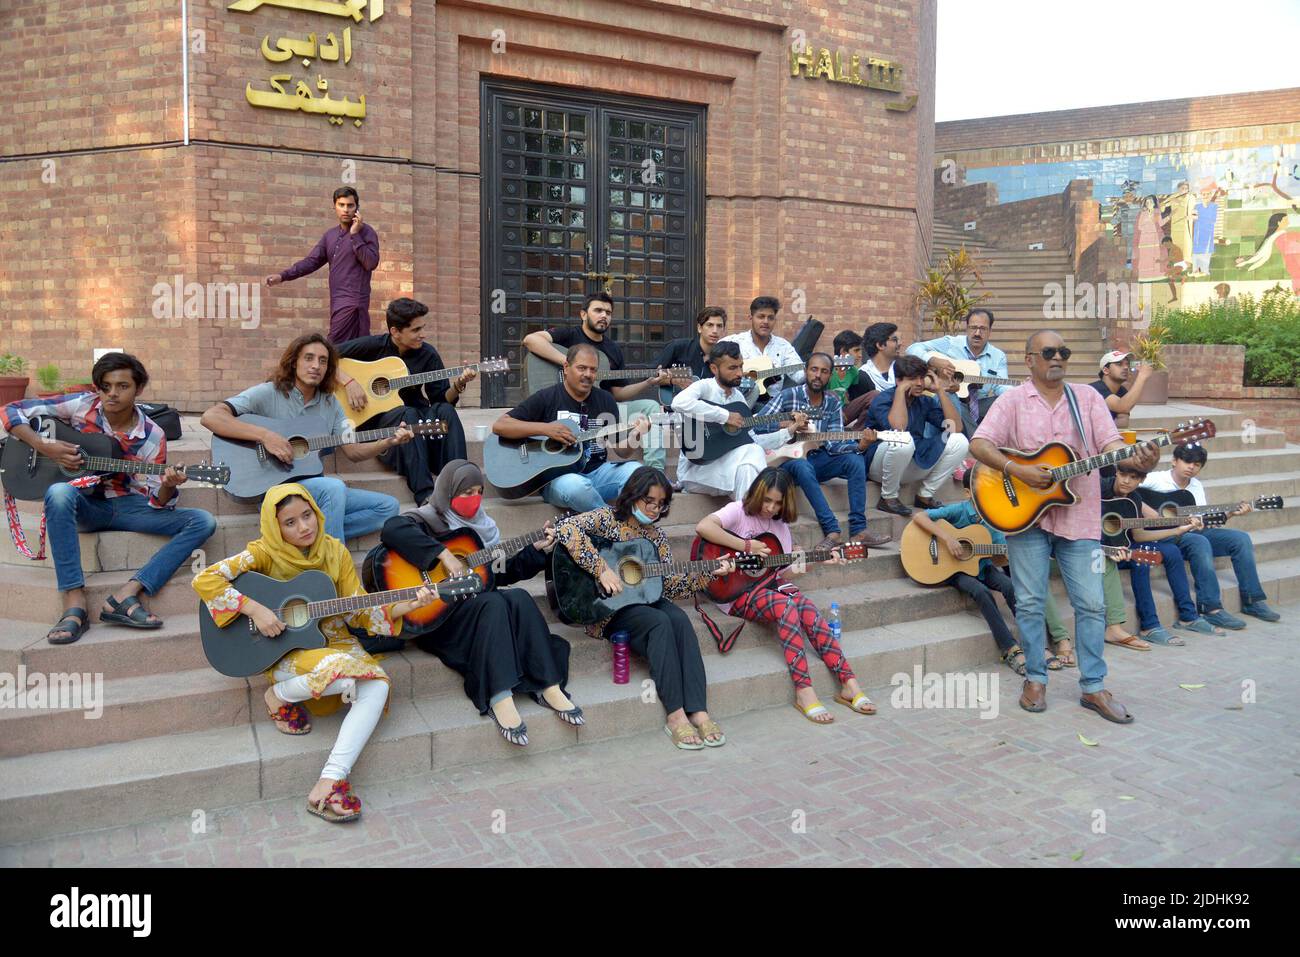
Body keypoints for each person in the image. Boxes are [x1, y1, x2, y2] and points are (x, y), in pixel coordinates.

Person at [192, 484, 435, 822]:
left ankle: (329, 781)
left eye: (307, 516)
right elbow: (206, 578)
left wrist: (407, 604)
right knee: (345, 671)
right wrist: (255, 610)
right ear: (275, 527)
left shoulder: (335, 551)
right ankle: (278, 693)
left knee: (377, 684)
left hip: (333, 641)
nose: (304, 527)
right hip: (280, 649)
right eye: (290, 523)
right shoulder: (261, 553)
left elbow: (359, 612)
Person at [969, 329, 1161, 723]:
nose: (1058, 357)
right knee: (1031, 601)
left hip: (1080, 517)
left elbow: (1109, 443)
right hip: (1025, 518)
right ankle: (1036, 679)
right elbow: (980, 443)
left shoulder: (1087, 398)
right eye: (1049, 352)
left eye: (1064, 352)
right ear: (1030, 359)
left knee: (1092, 604)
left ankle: (1093, 687)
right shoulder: (1012, 400)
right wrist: (1018, 469)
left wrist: (1133, 455)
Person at [2, 353, 217, 645]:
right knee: (59, 492)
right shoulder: (81, 406)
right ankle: (74, 602)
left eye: (122, 386)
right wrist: (44, 446)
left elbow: (158, 502)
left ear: (139, 389)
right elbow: (11, 409)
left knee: (202, 520)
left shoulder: (152, 435)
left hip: (126, 504)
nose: (112, 394)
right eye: (105, 387)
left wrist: (168, 485)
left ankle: (126, 595)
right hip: (84, 505)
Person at [379, 461, 578, 746]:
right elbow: (392, 528)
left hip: (476, 611)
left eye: (478, 491)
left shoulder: (484, 529)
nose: (473, 498)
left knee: (519, 598)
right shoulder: (426, 518)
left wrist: (533, 552)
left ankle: (547, 682)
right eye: (465, 491)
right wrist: (442, 555)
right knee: (493, 604)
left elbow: (499, 574)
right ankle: (498, 693)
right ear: (447, 491)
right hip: (440, 617)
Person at [553, 467, 735, 750]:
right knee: (658, 623)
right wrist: (602, 570)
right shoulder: (607, 519)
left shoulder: (657, 537)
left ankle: (699, 711)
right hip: (608, 607)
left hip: (646, 600)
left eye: (661, 504)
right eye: (648, 501)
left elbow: (669, 586)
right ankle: (675, 716)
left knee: (679, 619)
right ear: (633, 496)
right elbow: (566, 528)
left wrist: (710, 573)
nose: (654, 509)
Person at [695, 468, 877, 723]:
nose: (770, 507)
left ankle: (849, 685)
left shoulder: (780, 527)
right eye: (767, 500)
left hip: (769, 586)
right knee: (785, 606)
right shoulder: (738, 511)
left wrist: (817, 562)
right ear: (757, 493)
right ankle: (804, 691)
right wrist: (746, 546)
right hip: (734, 591)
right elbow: (704, 526)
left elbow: (784, 572)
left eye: (777, 503)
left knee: (808, 609)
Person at [202, 333, 406, 541]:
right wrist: (265, 435)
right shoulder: (269, 393)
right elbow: (211, 417)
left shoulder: (331, 404)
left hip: (314, 490)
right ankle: (331, 562)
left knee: (387, 507)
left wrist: (386, 442)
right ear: (293, 362)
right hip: (273, 486)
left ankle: (309, 540)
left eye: (323, 361)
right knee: (334, 487)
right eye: (308, 358)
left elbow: (353, 451)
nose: (316, 365)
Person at [336, 297, 471, 504]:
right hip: (380, 423)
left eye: (422, 328)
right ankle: (425, 495)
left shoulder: (428, 353)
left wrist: (459, 384)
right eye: (415, 330)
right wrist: (349, 382)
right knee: (407, 414)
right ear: (395, 332)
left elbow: (441, 398)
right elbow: (327, 356)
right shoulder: (373, 346)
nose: (422, 335)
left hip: (417, 422)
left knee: (445, 411)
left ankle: (460, 485)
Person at [753, 353, 891, 550]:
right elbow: (757, 424)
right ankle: (832, 531)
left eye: (824, 371)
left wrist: (859, 447)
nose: (818, 375)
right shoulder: (789, 395)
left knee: (855, 460)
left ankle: (859, 529)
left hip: (818, 458)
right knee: (802, 466)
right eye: (814, 370)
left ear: (830, 375)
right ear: (806, 371)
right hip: (788, 461)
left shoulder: (832, 402)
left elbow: (835, 442)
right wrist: (786, 424)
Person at [493, 342, 647, 512]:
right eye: (582, 368)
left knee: (639, 474)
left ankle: (614, 519)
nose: (588, 374)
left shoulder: (606, 400)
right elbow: (501, 425)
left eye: (593, 370)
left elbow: (621, 451)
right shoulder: (547, 397)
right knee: (577, 487)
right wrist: (545, 429)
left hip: (598, 474)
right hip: (560, 479)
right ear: (566, 367)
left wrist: (636, 435)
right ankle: (613, 523)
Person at [522, 291, 667, 470]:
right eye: (598, 310)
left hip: (602, 411)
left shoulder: (613, 349)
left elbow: (618, 394)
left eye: (608, 312)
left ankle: (656, 472)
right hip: (569, 409)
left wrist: (649, 383)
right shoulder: (569, 335)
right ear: (583, 314)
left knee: (651, 407)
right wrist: (569, 363)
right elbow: (531, 340)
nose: (604, 316)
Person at [1142, 443, 1280, 624]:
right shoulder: (1154, 479)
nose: (1191, 467)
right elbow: (1128, 493)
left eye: (1197, 464)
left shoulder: (1196, 486)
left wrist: (1230, 513)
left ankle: (1252, 600)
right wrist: (1153, 514)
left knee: (1240, 539)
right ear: (1174, 461)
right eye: (1187, 461)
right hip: (1162, 535)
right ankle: (1211, 608)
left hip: (1189, 532)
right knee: (1199, 542)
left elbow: (1202, 521)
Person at [907, 470, 1025, 675]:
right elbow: (919, 516)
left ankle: (1031, 639)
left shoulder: (994, 518)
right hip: (955, 570)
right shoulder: (959, 510)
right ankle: (1010, 648)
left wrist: (1006, 554)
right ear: (968, 493)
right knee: (981, 592)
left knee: (1009, 585)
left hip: (982, 566)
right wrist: (947, 539)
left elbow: (998, 558)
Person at [671, 341, 808, 500]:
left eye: (740, 366)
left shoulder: (738, 398)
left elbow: (752, 441)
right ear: (714, 369)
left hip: (729, 469)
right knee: (750, 459)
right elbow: (678, 402)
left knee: (748, 463)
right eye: (732, 368)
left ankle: (747, 517)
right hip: (695, 471)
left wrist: (789, 431)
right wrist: (724, 416)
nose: (740, 373)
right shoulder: (704, 387)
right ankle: (759, 511)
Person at [265, 186, 379, 343]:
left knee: (334, 348)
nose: (346, 210)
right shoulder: (330, 236)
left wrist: (355, 234)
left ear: (357, 208)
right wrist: (282, 276)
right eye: (341, 205)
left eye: (350, 205)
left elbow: (370, 263)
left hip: (354, 303)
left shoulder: (366, 232)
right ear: (334, 207)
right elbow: (311, 261)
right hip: (337, 303)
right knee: (352, 352)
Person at [865, 354, 969, 516]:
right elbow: (898, 428)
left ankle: (924, 495)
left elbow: (955, 427)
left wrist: (940, 391)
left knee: (959, 441)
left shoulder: (924, 401)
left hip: (911, 461)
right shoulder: (883, 399)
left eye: (922, 377)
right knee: (903, 439)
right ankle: (888, 498)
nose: (920, 383)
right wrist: (900, 391)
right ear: (899, 380)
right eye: (913, 378)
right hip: (881, 467)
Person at [907, 308, 1011, 436]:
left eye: (983, 329)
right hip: (955, 400)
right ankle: (976, 443)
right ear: (967, 328)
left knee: (1009, 400)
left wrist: (1018, 393)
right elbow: (912, 349)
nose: (977, 333)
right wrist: (933, 360)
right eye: (973, 327)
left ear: (990, 331)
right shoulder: (951, 343)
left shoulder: (998, 356)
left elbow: (1002, 385)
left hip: (979, 403)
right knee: (953, 399)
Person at [721, 295, 805, 397]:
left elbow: (800, 376)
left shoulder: (783, 346)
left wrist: (810, 369)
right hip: (737, 399)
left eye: (770, 318)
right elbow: (714, 361)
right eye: (761, 317)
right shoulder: (734, 342)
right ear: (751, 318)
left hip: (772, 404)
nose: (766, 322)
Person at [655, 305, 728, 399]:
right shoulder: (678, 347)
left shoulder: (724, 357)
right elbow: (651, 377)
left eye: (719, 326)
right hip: (675, 405)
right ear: (699, 328)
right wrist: (672, 380)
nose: (715, 331)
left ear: (724, 330)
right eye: (710, 325)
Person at [1235, 211, 1300, 293]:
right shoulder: (1281, 237)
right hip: (1295, 267)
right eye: (1286, 220)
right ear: (1279, 223)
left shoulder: (1277, 237)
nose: (1288, 222)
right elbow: (1293, 247)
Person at [1132, 194, 1168, 283]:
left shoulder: (1157, 212)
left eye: (1151, 202)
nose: (1149, 203)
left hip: (1155, 236)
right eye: (1147, 202)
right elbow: (1140, 226)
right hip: (1144, 237)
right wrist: (1147, 225)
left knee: (1155, 254)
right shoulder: (1143, 214)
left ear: (1154, 203)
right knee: (1145, 254)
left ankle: (1157, 274)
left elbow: (1160, 223)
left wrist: (1169, 217)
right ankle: (1145, 274)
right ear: (1145, 204)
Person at [859, 321, 901, 394]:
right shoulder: (862, 377)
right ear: (880, 345)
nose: (900, 344)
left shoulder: (903, 369)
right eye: (894, 340)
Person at [827, 330, 864, 404]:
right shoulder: (827, 370)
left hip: (843, 410)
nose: (860, 355)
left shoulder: (854, 372)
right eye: (856, 351)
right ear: (843, 352)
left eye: (860, 351)